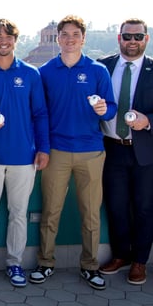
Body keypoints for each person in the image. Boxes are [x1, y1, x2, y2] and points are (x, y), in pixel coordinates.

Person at [33, 15, 117, 291]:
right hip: (56, 151)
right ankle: (46, 263)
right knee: (50, 211)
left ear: (83, 38)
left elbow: (112, 107)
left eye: (75, 34)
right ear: (57, 38)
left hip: (91, 152)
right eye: (64, 34)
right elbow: (40, 113)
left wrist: (106, 110)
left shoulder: (97, 71)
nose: (69, 39)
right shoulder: (45, 71)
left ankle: (90, 266)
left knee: (91, 213)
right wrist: (42, 148)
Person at [0, 19, 50, 289]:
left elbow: (40, 114)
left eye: (8, 37)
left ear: (16, 40)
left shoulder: (30, 74)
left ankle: (15, 262)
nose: (3, 41)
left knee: (18, 213)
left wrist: (43, 148)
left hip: (23, 158)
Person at [97, 19, 153, 285]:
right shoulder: (103, 66)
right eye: (127, 36)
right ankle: (121, 255)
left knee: (144, 208)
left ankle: (140, 262)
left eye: (138, 36)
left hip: (146, 151)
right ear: (118, 38)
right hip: (112, 148)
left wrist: (149, 121)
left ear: (146, 38)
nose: (133, 41)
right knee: (116, 206)